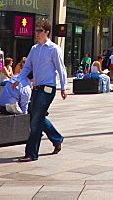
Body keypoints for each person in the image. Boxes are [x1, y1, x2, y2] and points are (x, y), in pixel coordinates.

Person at [13, 19, 67, 162]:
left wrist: (63, 87)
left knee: (35, 121)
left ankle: (31, 153)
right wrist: (18, 79)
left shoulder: (54, 49)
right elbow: (27, 67)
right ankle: (57, 138)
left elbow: (61, 69)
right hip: (36, 88)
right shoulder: (34, 49)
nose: (36, 33)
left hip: (48, 88)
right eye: (36, 30)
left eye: (39, 31)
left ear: (47, 32)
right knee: (36, 116)